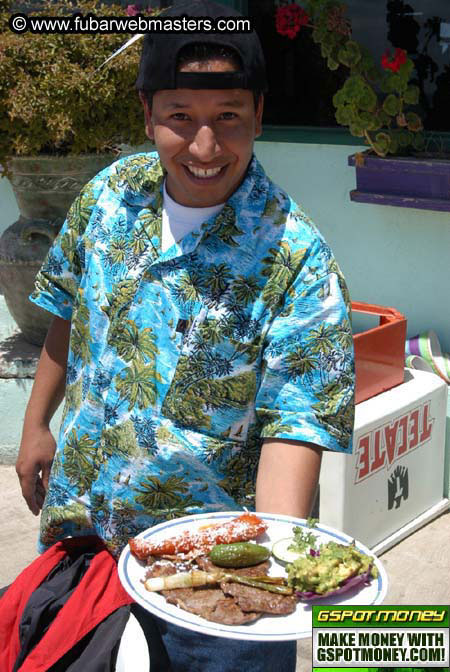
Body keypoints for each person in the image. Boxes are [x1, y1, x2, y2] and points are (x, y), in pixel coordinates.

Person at [15, 1, 355, 669]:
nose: (205, 147)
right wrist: (37, 423)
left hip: (208, 584)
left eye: (228, 117)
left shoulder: (298, 259)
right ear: (148, 114)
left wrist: (264, 568)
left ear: (259, 114)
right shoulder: (109, 196)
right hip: (88, 536)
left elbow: (296, 426)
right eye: (181, 118)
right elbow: (66, 306)